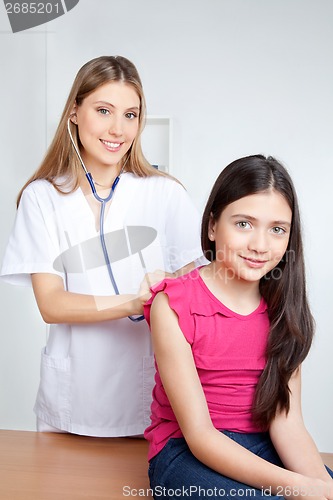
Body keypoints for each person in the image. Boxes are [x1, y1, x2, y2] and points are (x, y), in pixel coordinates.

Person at [0, 55, 205, 437]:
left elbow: (196, 298)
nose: (118, 128)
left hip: (152, 402)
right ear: (74, 112)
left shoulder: (166, 193)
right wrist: (137, 301)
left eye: (130, 114)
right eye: (103, 110)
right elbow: (52, 304)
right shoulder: (41, 197)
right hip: (70, 401)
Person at [144, 155, 333, 499]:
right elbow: (200, 436)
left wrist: (319, 486)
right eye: (244, 224)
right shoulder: (172, 305)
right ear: (213, 226)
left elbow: (287, 423)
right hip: (186, 451)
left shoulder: (283, 310)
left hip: (264, 447)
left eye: (277, 229)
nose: (260, 245)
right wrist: (296, 488)